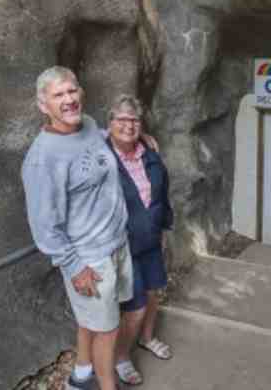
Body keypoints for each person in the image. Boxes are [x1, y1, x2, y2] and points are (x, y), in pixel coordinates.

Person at [22, 66, 149, 390]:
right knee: (107, 329)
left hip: (117, 243)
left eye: (72, 90)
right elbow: (45, 227)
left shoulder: (90, 125)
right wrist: (75, 267)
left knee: (95, 319)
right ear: (43, 105)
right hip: (90, 259)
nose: (69, 99)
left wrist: (135, 137)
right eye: (58, 95)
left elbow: (97, 150)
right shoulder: (43, 159)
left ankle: (79, 376)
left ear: (81, 92)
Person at [105, 94, 174, 386]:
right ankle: (121, 356)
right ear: (110, 124)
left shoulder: (149, 152)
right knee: (135, 308)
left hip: (151, 237)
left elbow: (161, 193)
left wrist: (162, 229)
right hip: (122, 246)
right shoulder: (102, 156)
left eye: (134, 120)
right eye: (121, 119)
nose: (129, 125)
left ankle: (146, 338)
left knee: (154, 293)